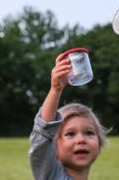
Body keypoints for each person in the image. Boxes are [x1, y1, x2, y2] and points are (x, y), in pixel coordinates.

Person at [29, 52, 108, 180]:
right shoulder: (51, 175)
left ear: (99, 145)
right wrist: (55, 90)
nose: (81, 140)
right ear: (53, 147)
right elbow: (43, 134)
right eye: (70, 134)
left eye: (89, 133)